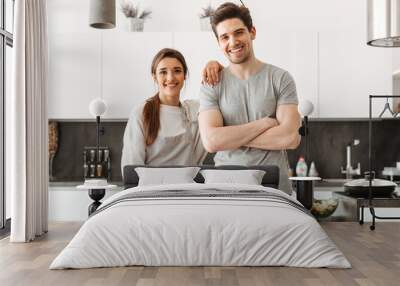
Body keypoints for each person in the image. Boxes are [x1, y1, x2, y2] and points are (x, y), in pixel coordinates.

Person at [198, 2, 301, 194]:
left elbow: (290, 137)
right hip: (225, 188)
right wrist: (264, 124)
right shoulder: (212, 83)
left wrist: (229, 137)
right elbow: (212, 142)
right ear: (219, 43)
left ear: (252, 32)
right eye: (225, 37)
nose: (233, 42)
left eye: (238, 33)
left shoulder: (280, 78)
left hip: (274, 188)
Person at [121, 48, 207, 175]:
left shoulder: (194, 110)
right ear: (154, 77)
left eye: (177, 71)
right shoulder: (142, 112)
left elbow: (222, 99)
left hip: (187, 190)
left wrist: (213, 65)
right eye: (163, 72)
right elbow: (131, 169)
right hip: (151, 192)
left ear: (185, 76)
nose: (170, 78)